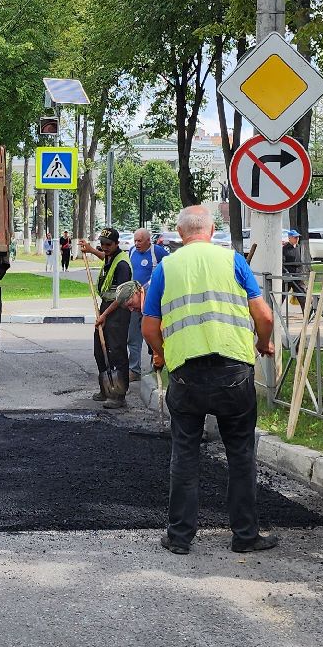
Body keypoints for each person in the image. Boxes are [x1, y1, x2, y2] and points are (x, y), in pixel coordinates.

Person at [141, 205, 279, 556]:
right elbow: (263, 315)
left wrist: (159, 353)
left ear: (180, 231)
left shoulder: (166, 267)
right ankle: (245, 536)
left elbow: (149, 325)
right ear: (212, 230)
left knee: (184, 453)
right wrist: (263, 343)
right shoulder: (233, 261)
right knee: (241, 454)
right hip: (234, 374)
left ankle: (179, 537)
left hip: (186, 374)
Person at [78, 228, 134, 409]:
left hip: (118, 310)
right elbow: (105, 258)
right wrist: (91, 250)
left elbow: (121, 297)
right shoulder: (111, 256)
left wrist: (103, 315)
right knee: (99, 350)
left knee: (116, 352)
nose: (104, 247)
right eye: (102, 244)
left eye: (108, 245)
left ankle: (119, 395)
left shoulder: (123, 265)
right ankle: (106, 389)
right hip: (105, 308)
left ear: (117, 244)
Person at [124, 228, 169, 378]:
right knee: (133, 336)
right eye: (135, 240)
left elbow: (168, 269)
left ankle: (156, 366)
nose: (136, 244)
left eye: (140, 241)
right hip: (135, 303)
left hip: (152, 303)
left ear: (148, 240)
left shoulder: (158, 252)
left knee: (153, 335)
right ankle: (134, 369)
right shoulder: (131, 252)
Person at [281, 229, 305, 308]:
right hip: (288, 276)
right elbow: (282, 263)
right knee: (281, 296)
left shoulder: (299, 247)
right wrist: (286, 273)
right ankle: (274, 313)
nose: (297, 239)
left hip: (298, 276)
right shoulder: (284, 248)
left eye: (297, 237)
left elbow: (300, 261)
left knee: (302, 296)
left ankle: (306, 315)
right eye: (295, 237)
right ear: (289, 238)